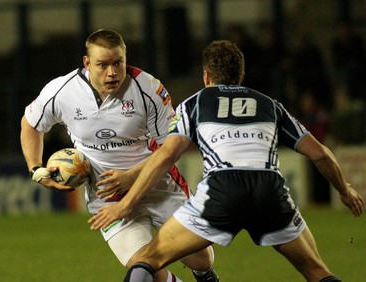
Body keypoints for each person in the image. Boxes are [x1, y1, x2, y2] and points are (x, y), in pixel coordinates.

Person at [88, 40, 364, 282]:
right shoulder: (270, 105)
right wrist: (344, 190)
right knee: (318, 272)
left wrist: (125, 204)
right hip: (270, 192)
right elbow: (321, 154)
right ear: (241, 76)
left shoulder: (195, 103)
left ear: (206, 76)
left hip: (223, 190)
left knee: (147, 260)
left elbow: (166, 155)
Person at [20, 29, 219, 282]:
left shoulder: (149, 89)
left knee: (201, 259)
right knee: (145, 270)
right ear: (87, 63)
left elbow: (171, 149)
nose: (112, 72)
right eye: (103, 65)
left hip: (159, 187)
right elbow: (30, 124)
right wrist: (35, 168)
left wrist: (132, 176)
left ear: (126, 58)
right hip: (108, 197)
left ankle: (206, 276)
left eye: (118, 63)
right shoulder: (62, 91)